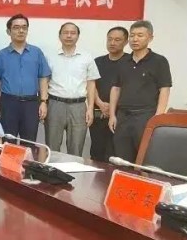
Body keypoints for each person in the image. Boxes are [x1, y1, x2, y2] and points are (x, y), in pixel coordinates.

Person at [109, 20, 172, 162]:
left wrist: (157, 117)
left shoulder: (159, 61)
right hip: (123, 116)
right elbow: (116, 88)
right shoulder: (123, 61)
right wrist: (112, 115)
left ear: (150, 38)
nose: (135, 39)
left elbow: (164, 89)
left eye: (140, 35)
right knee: (122, 159)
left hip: (146, 116)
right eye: (132, 35)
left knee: (145, 158)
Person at [0, 14, 50, 142]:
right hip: (8, 104)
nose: (21, 30)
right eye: (16, 27)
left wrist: (43, 102)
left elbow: (43, 77)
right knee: (8, 142)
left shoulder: (36, 52)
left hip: (31, 104)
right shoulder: (0, 55)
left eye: (24, 27)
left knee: (29, 142)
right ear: (9, 31)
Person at [45, 22, 100, 156]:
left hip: (79, 106)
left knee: (76, 148)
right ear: (59, 36)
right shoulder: (50, 57)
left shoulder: (87, 57)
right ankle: (51, 169)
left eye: (73, 33)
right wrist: (43, 103)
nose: (69, 36)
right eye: (65, 32)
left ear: (78, 36)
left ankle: (74, 170)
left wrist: (90, 108)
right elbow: (44, 81)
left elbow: (91, 84)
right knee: (52, 147)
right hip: (55, 104)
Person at [89, 27, 130, 162]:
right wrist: (100, 104)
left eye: (117, 40)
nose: (112, 43)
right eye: (110, 39)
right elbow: (91, 85)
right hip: (98, 114)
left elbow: (128, 88)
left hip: (120, 116)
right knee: (97, 153)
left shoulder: (130, 62)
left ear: (126, 42)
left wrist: (111, 108)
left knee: (116, 155)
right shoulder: (98, 61)